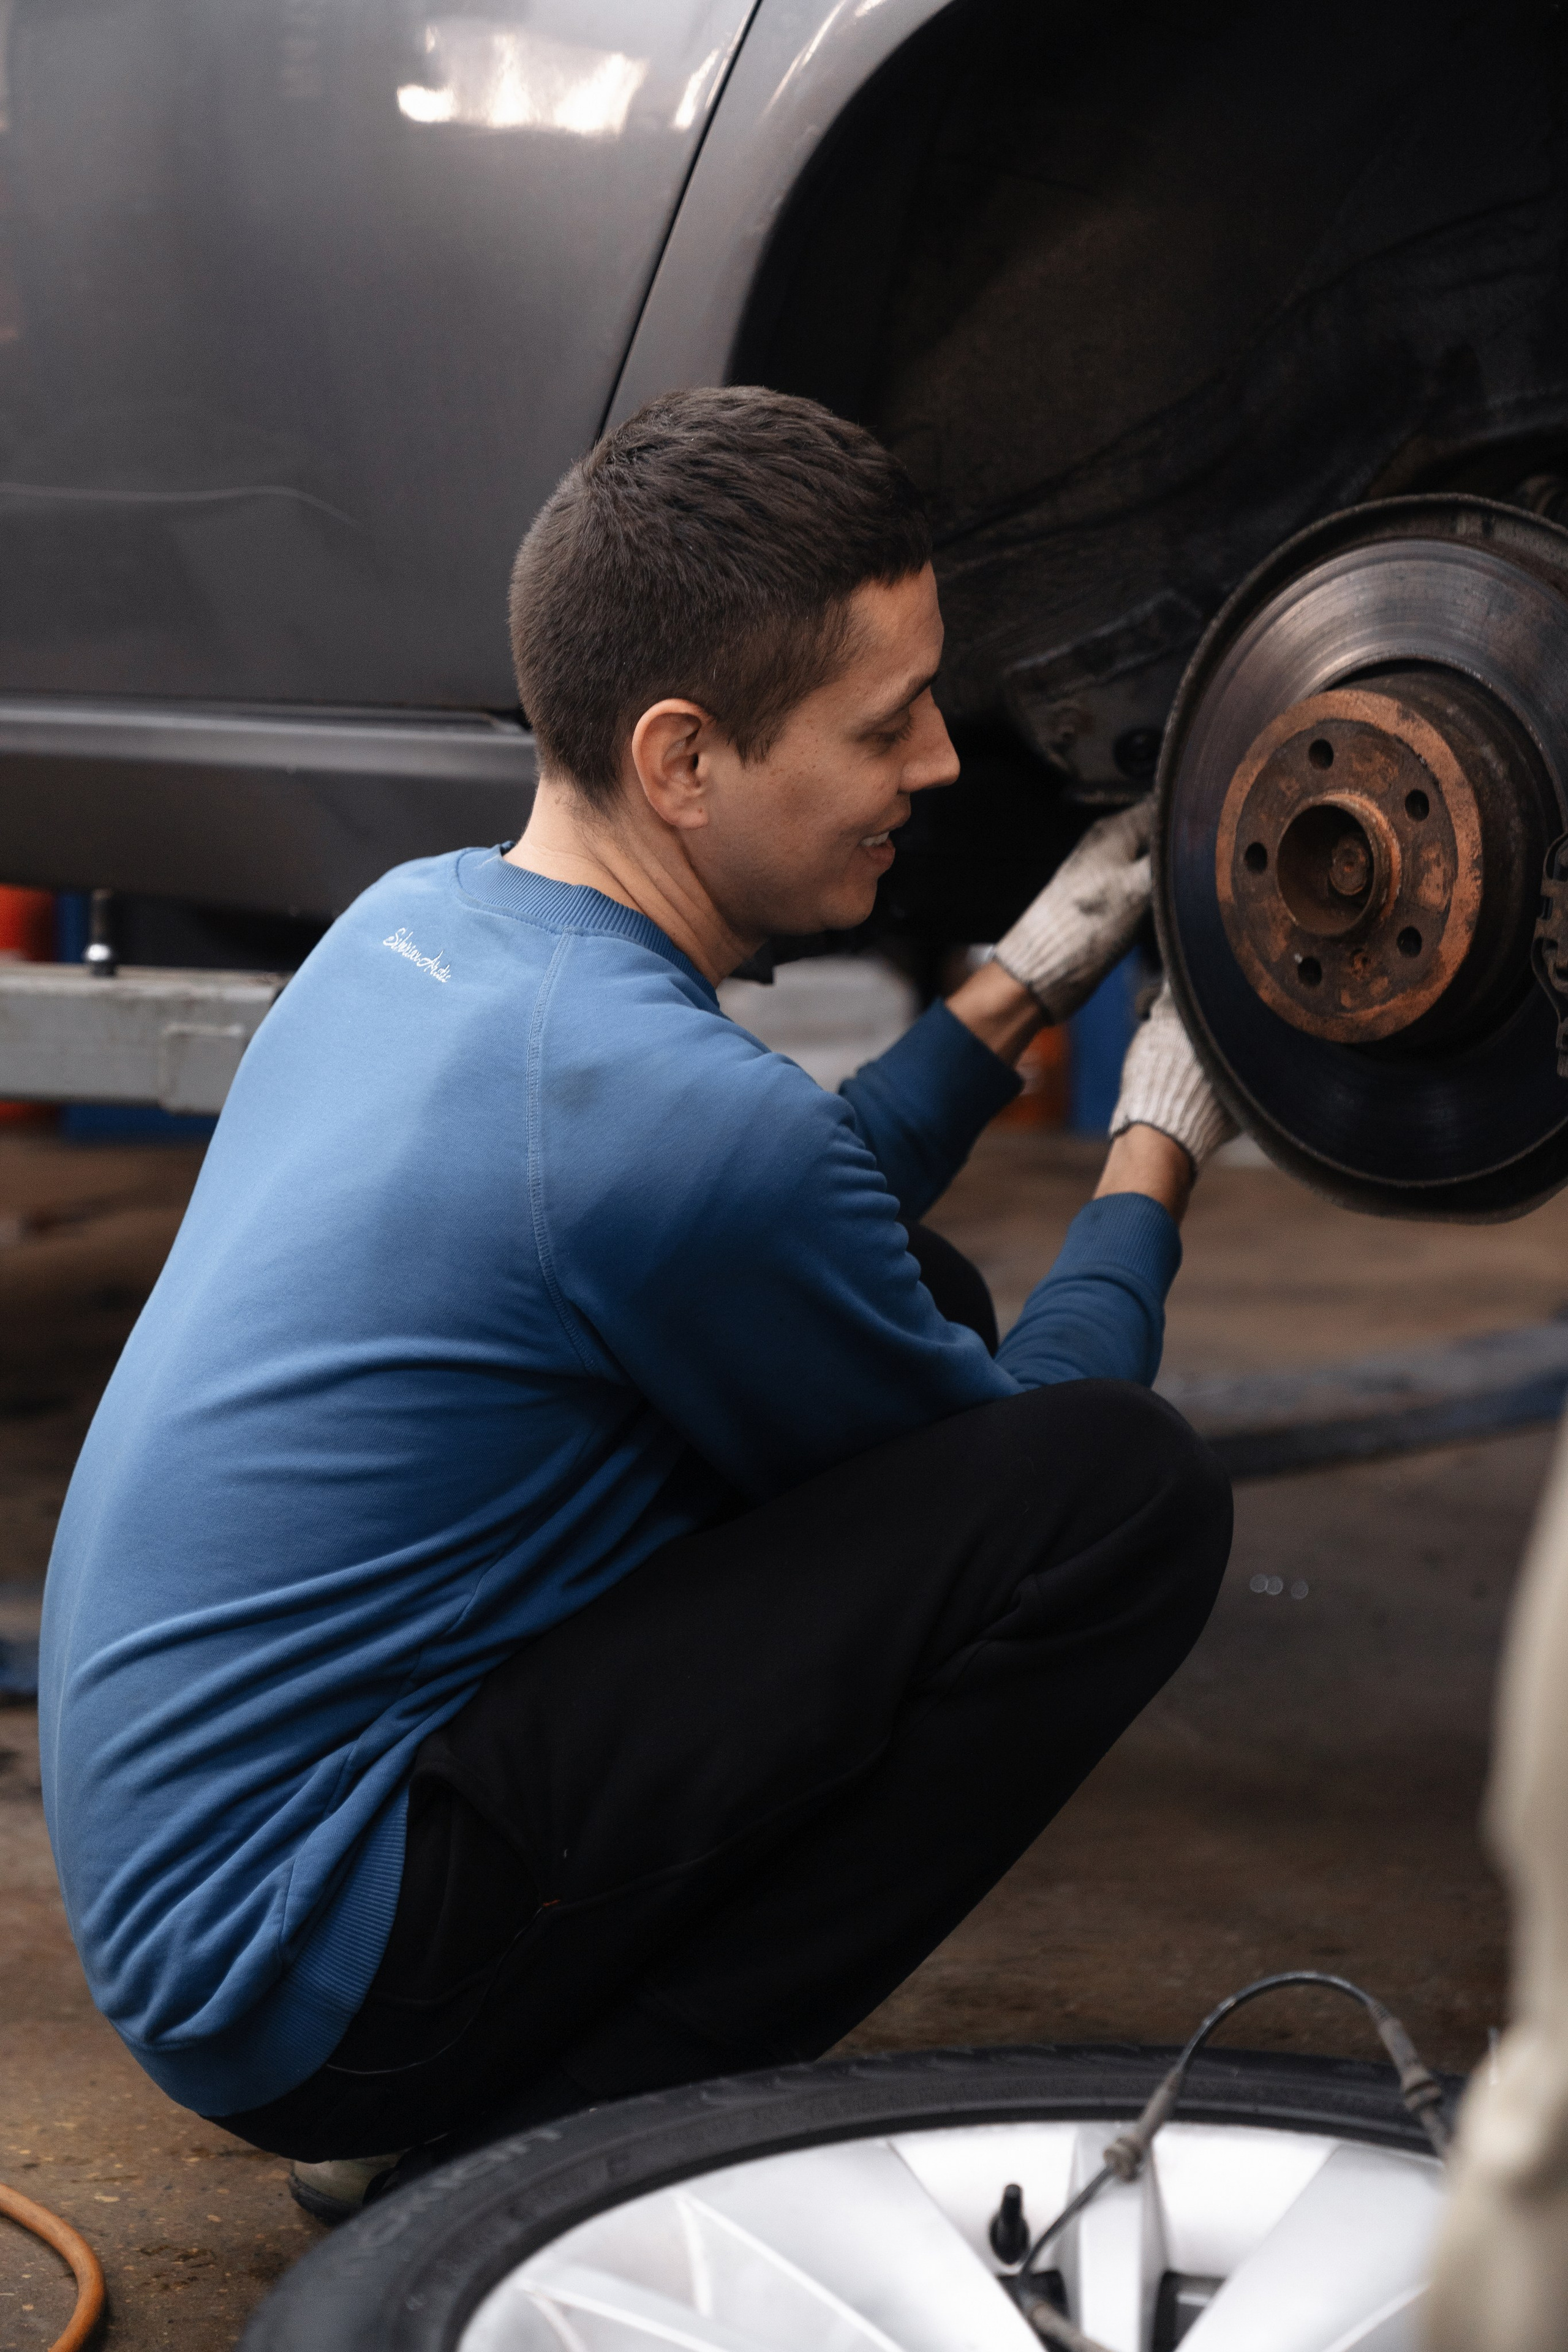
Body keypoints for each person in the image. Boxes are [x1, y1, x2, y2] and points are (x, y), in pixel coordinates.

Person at [38, 387, 1234, 2218]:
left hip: (200, 1879)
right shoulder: (665, 1122)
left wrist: (1027, 981)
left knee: (906, 1279)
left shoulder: (419, 926)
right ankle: (542, 2144)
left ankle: (486, 2075)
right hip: (313, 1980)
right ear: (682, 758)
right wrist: (1159, 1134)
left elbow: (760, 1206)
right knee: (1128, 1504)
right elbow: (1042, 1460)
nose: (935, 765)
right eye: (885, 721)